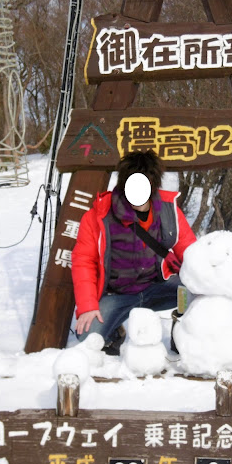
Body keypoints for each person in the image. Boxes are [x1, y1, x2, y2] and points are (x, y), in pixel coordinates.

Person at [72, 150, 196, 354]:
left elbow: (190, 252)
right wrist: (87, 306)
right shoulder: (98, 216)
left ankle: (182, 330)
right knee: (88, 337)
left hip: (157, 287)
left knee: (197, 292)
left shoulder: (167, 210)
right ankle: (115, 330)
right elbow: (83, 262)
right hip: (117, 294)